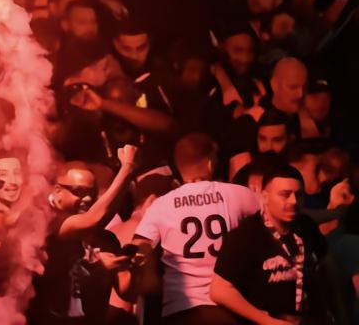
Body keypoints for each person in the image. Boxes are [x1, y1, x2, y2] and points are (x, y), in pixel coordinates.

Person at [130, 133, 260, 324]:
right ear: (210, 163)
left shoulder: (160, 205)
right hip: (231, 309)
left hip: (180, 311)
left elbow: (139, 247)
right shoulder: (239, 195)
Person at [29, 147, 140, 325]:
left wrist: (129, 266)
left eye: (92, 192)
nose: (87, 199)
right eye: (79, 191)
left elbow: (127, 293)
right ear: (57, 191)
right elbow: (93, 220)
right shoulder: (52, 225)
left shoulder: (106, 239)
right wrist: (127, 168)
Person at [211, 165, 328, 324]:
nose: (293, 201)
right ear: (265, 197)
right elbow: (219, 290)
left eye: (299, 195)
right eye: (285, 195)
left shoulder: (307, 227)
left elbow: (325, 267)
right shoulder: (246, 235)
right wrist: (266, 321)